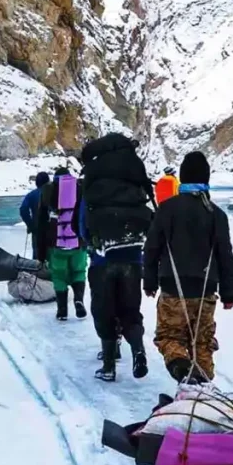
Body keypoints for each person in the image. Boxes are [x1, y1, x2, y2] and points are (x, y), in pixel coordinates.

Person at [143, 151, 233, 383]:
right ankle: (203, 391)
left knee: (169, 338)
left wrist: (150, 281)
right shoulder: (217, 214)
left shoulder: (166, 209)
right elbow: (226, 256)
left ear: (182, 178)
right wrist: (228, 293)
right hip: (206, 291)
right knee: (202, 343)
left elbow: (152, 248)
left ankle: (185, 374)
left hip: (173, 289)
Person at [79, 133, 155, 382]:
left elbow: (81, 225)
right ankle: (138, 350)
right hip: (133, 259)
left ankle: (109, 366)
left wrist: (89, 243)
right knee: (130, 311)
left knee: (104, 311)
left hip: (102, 261)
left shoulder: (93, 189)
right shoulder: (134, 186)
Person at [36, 167, 88, 321]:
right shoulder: (81, 188)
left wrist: (41, 253)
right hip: (78, 242)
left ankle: (62, 311)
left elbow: (41, 224)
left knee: (59, 276)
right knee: (79, 272)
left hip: (55, 243)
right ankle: (79, 299)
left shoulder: (47, 192)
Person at [19, 171, 50, 258]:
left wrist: (30, 224)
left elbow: (23, 209)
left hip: (37, 229)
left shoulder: (31, 195)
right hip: (52, 228)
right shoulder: (53, 193)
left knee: (37, 256)